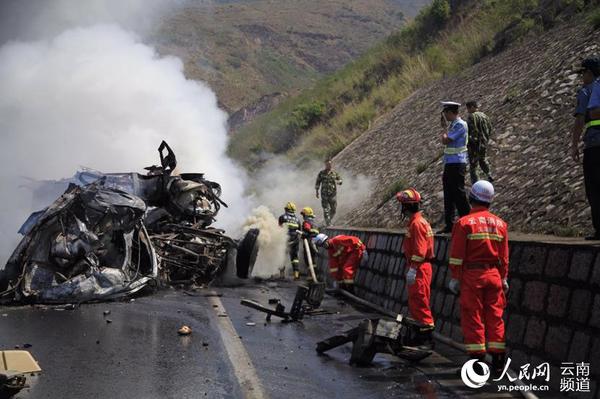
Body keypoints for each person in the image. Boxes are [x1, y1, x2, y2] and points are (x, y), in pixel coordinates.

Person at [447, 180, 509, 375]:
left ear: (471, 198)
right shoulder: (501, 224)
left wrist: (455, 278)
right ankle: (498, 360)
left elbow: (457, 255)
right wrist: (504, 278)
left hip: (473, 276)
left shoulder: (464, 223)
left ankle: (477, 363)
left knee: (473, 317)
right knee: (495, 316)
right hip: (494, 275)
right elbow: (504, 257)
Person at [396, 188, 435, 348]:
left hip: (419, 268)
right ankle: (419, 334)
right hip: (418, 267)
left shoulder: (417, 224)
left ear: (407, 206)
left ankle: (425, 339)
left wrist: (413, 268)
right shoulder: (416, 222)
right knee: (416, 302)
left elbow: (420, 250)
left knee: (420, 302)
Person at [572, 57, 600, 240]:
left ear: (590, 73)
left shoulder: (586, 92)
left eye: (583, 73)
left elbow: (580, 119)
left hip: (594, 143)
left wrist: (574, 144)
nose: (581, 77)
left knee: (594, 187)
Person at [438, 101, 471, 234]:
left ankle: (467, 221)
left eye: (445, 113)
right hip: (450, 163)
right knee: (448, 193)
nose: (444, 116)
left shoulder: (460, 125)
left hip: (458, 163)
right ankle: (449, 224)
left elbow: (446, 140)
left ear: (451, 112)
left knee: (459, 192)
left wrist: (444, 129)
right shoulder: (453, 125)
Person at [465, 101, 494, 184]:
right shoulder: (484, 116)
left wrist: (469, 142)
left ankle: (476, 183)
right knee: (483, 159)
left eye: (468, 108)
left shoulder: (472, 117)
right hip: (484, 142)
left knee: (473, 165)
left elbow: (469, 131)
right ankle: (489, 174)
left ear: (472, 107)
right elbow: (490, 127)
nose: (468, 110)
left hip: (474, 144)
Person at [315, 159, 343, 226]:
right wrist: (317, 192)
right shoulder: (321, 173)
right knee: (326, 209)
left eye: (330, 164)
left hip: (333, 194)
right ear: (325, 165)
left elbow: (340, 180)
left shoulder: (334, 173)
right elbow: (317, 182)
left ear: (331, 165)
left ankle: (329, 220)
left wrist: (338, 182)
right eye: (327, 164)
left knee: (333, 209)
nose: (329, 166)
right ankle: (328, 223)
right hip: (324, 194)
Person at [278, 202, 300, 279]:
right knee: (295, 258)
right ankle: (296, 274)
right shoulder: (297, 220)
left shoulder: (282, 217)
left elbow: (279, 229)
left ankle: (282, 274)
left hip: (285, 239)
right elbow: (299, 231)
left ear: (286, 209)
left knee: (282, 256)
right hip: (295, 240)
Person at [300, 207, 320, 273]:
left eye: (303, 215)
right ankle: (314, 274)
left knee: (308, 258)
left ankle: (311, 275)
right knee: (313, 258)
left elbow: (307, 229)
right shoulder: (315, 222)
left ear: (305, 215)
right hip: (316, 241)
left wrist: (304, 234)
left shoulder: (306, 222)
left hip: (309, 241)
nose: (302, 216)